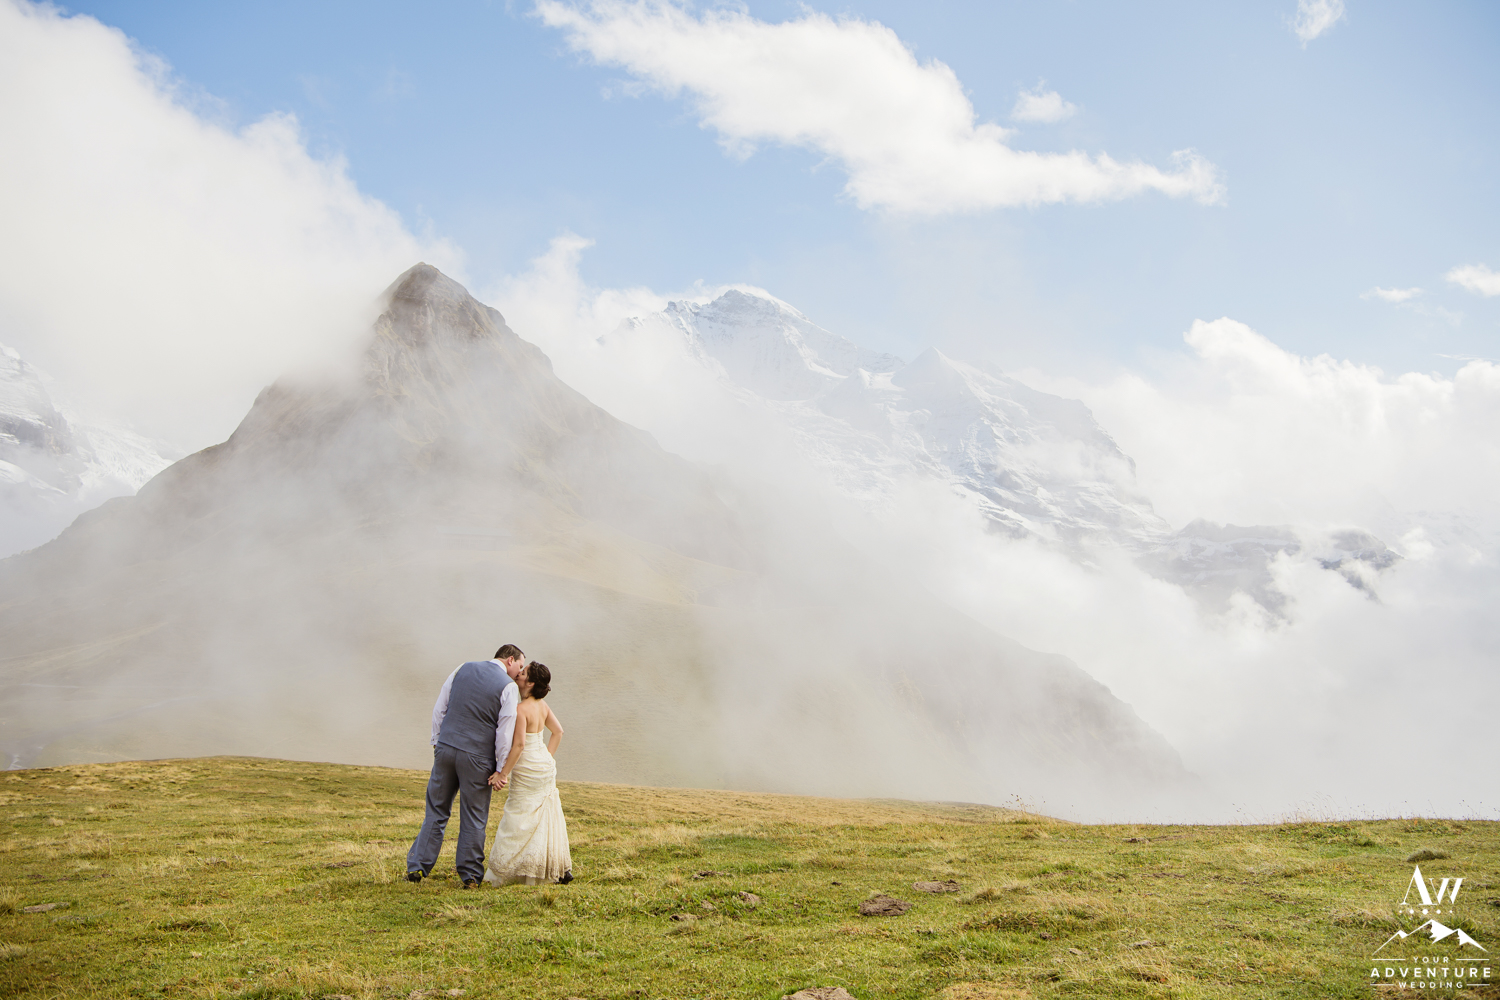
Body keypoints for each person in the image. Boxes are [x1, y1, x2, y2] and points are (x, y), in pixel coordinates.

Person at [405, 644, 525, 888]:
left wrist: (437, 743)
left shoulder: (462, 668)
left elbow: (440, 708)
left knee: (436, 810)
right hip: (478, 758)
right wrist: (501, 770)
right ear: (510, 659)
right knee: (474, 816)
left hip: (446, 748)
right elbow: (504, 731)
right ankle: (469, 875)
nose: (519, 673)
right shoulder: (508, 687)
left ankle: (417, 867)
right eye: (520, 667)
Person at [484, 661, 573, 885]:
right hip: (544, 765)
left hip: (526, 767)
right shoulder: (543, 705)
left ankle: (509, 869)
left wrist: (502, 774)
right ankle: (551, 868)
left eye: (523, 673)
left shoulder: (520, 709)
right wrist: (546, 757)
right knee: (545, 815)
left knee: (518, 814)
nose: (519, 675)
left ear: (531, 683)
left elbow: (519, 746)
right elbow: (558, 732)